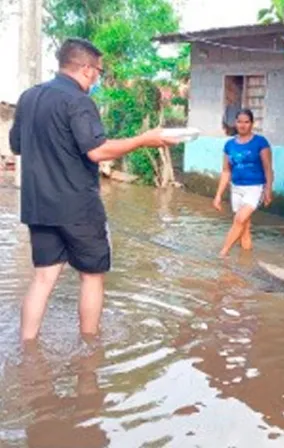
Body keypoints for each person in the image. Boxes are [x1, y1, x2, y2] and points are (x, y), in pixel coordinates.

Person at [8, 38, 178, 341]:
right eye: (98, 71)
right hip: (78, 208)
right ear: (86, 69)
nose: (98, 78)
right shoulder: (78, 101)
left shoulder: (28, 97)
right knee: (91, 277)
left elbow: (16, 146)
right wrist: (144, 139)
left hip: (38, 206)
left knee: (44, 278)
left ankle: (28, 346)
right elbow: (97, 152)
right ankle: (89, 353)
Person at [213, 109, 273, 257]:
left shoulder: (260, 142)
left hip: (255, 188)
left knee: (239, 219)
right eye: (240, 121)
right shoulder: (229, 145)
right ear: (235, 123)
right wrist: (218, 195)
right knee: (244, 226)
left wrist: (268, 189)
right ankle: (246, 262)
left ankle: (223, 253)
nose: (243, 125)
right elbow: (226, 171)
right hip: (236, 188)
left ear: (252, 124)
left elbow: (268, 168)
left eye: (246, 122)